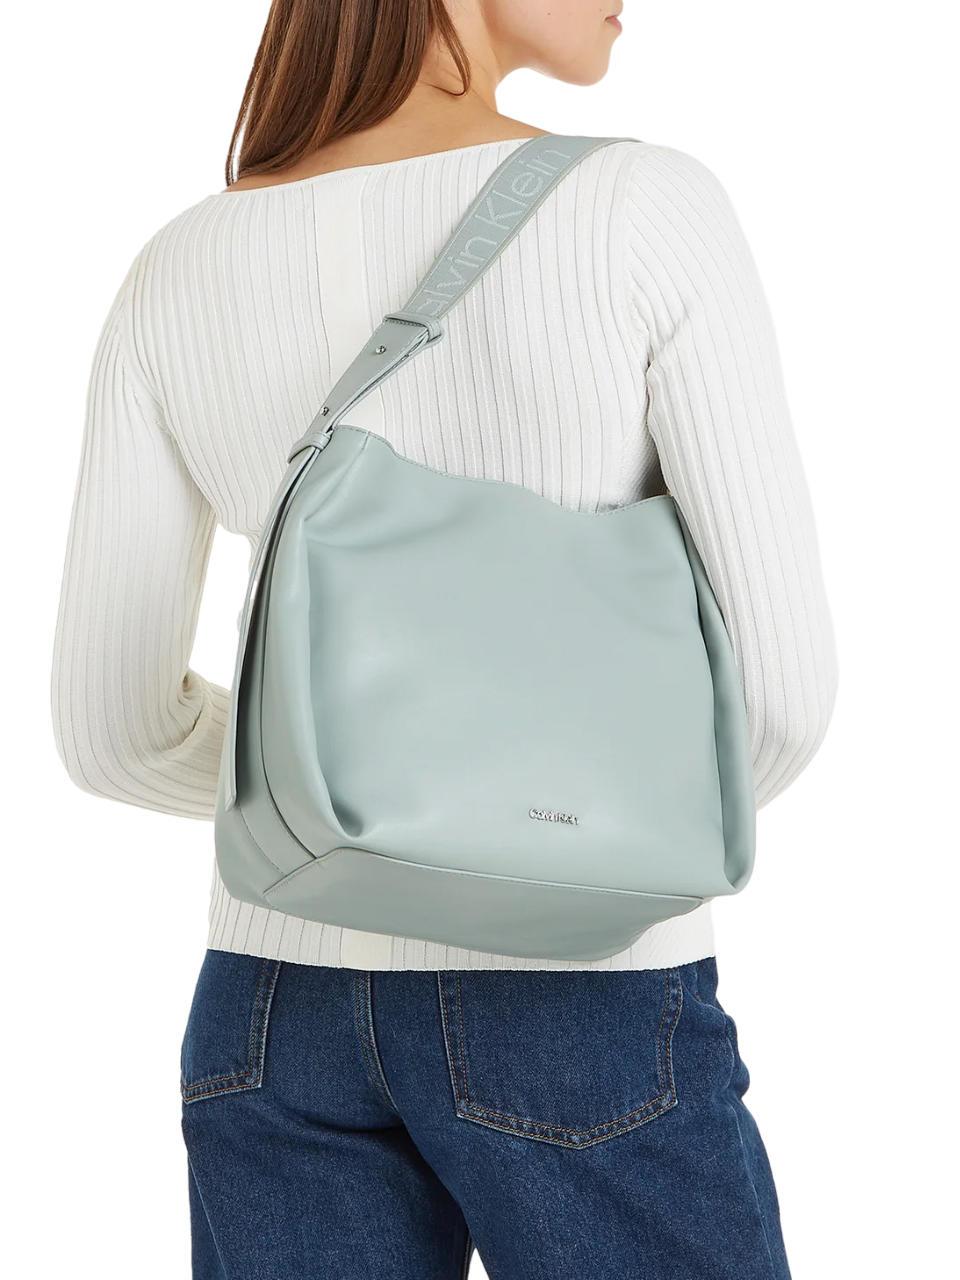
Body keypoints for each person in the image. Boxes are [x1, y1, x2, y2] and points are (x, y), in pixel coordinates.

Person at [49, 1, 838, 1276]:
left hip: (270, 999)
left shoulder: (176, 266)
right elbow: (780, 695)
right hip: (582, 992)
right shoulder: (642, 206)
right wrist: (550, 828)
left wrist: (346, 806)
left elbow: (113, 734)